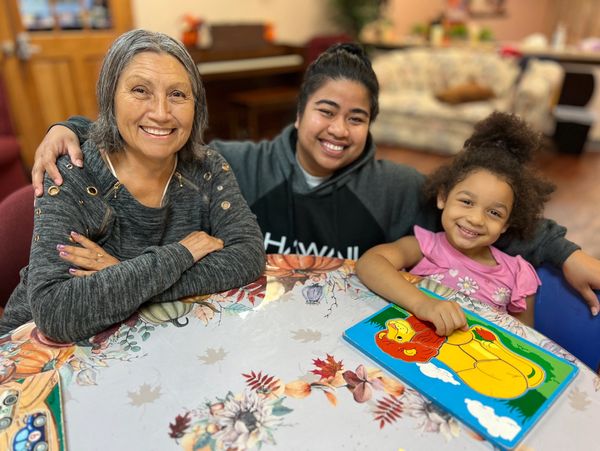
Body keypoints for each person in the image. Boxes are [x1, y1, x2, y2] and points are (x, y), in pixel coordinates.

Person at [30, 43, 600, 316]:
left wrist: (564, 250)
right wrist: (72, 128)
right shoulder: (237, 164)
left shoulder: (396, 187)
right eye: (326, 110)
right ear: (299, 113)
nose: (339, 129)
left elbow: (480, 210)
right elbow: (158, 135)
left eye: (358, 118)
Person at [0, 30, 265, 342]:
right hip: (35, 352)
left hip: (148, 343)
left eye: (178, 95)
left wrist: (124, 271)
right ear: (110, 97)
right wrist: (181, 254)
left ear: (197, 106)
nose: (161, 113)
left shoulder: (207, 168)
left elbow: (248, 256)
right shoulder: (71, 172)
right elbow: (56, 312)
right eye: (140, 90)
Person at [356, 112, 552, 335]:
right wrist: (423, 304)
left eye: (494, 213)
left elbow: (526, 341)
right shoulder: (424, 248)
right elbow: (369, 263)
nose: (476, 219)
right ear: (442, 198)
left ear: (507, 224)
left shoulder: (518, 275)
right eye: (467, 202)